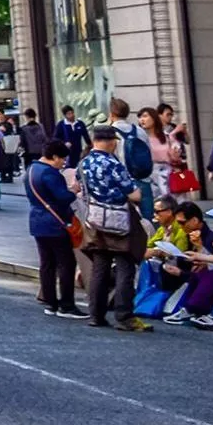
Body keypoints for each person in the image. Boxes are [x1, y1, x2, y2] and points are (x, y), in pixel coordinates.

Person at [77, 124, 148, 331]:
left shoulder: (84, 163)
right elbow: (134, 194)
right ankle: (124, 315)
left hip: (94, 220)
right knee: (126, 265)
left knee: (100, 266)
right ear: (111, 142)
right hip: (118, 220)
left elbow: (82, 190)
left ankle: (96, 315)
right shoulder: (113, 163)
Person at [24, 139, 82, 318]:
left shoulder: (31, 170)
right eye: (62, 159)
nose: (63, 163)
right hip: (55, 223)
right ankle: (67, 305)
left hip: (37, 221)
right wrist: (73, 191)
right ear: (54, 157)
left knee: (47, 264)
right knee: (66, 263)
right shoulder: (51, 174)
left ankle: (50, 302)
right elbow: (62, 198)